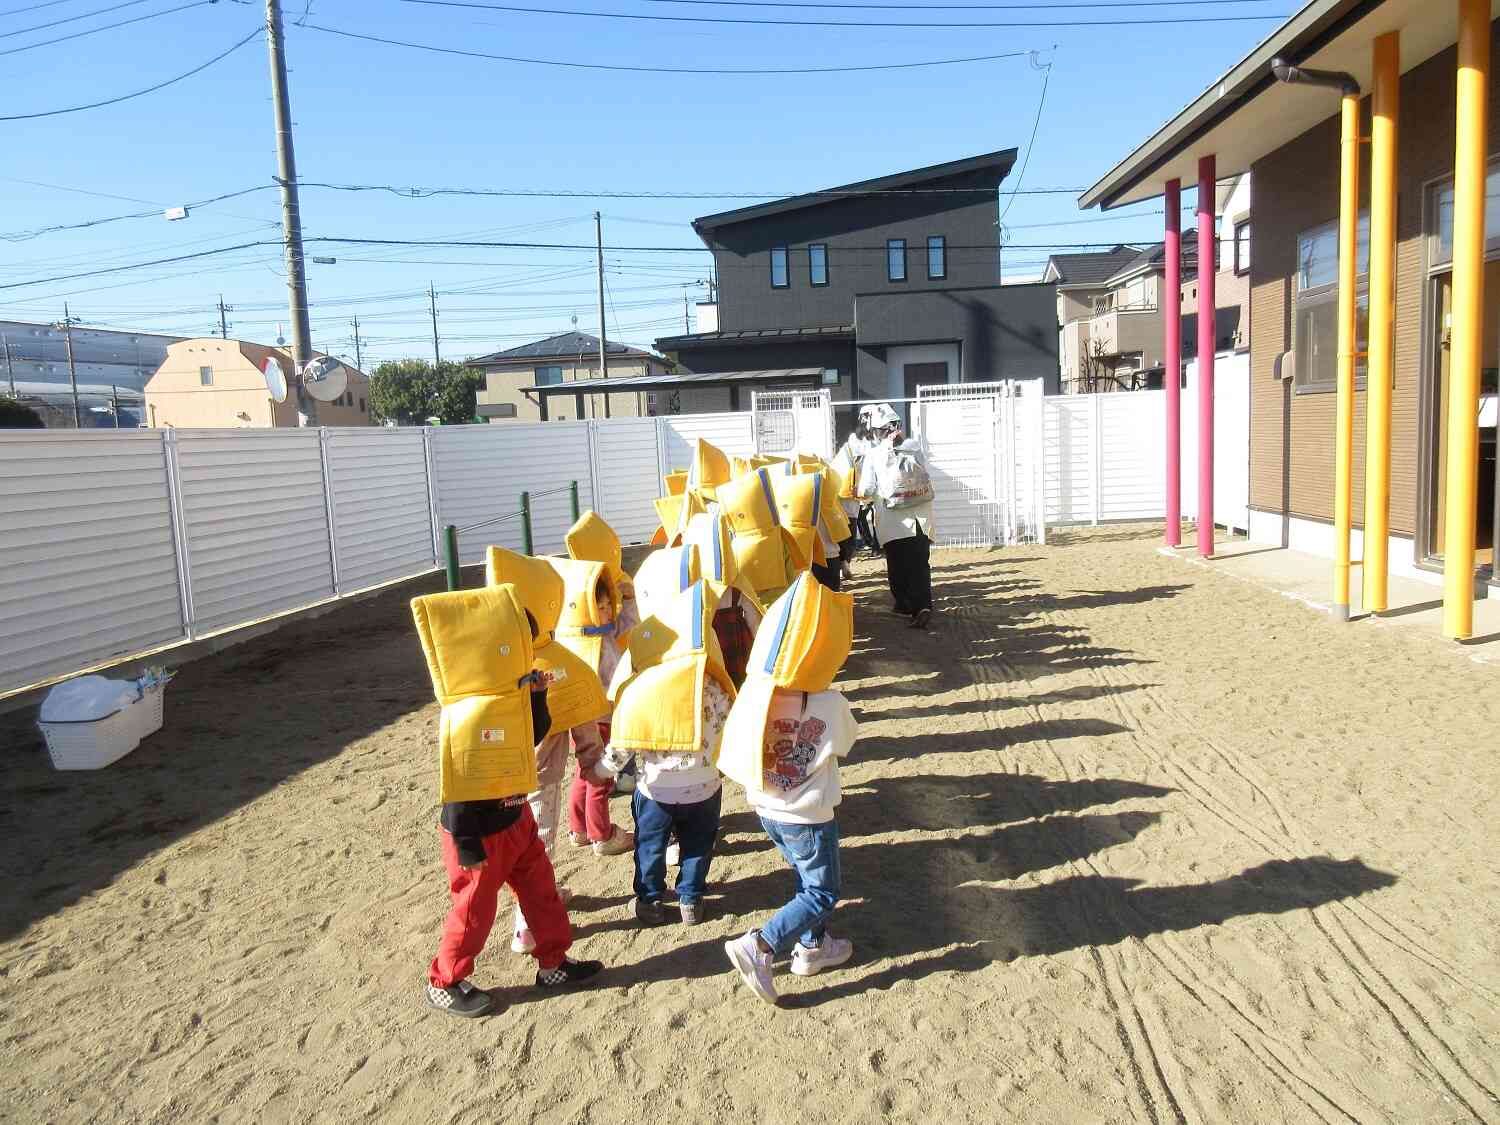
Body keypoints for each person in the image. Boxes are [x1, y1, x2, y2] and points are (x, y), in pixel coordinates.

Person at [410, 584, 604, 1018]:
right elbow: (458, 781)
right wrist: (466, 843)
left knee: (542, 893)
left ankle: (553, 963)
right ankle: (445, 980)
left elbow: (530, 738)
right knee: (474, 910)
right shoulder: (469, 714)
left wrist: (536, 697)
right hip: (478, 831)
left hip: (516, 819)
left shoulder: (510, 701)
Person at [716, 574, 859, 1006]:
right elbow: (848, 742)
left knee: (804, 878)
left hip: (767, 807)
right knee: (821, 890)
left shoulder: (754, 695)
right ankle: (760, 946)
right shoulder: (830, 703)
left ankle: (812, 948)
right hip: (808, 814)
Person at [483, 549, 620, 957]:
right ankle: (527, 926)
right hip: (540, 778)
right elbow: (582, 718)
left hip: (491, 774)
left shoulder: (491, 659)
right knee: (537, 843)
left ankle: (540, 898)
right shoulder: (560, 665)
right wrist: (594, 762)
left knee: (511, 848)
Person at [602, 580, 737, 926]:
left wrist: (604, 771)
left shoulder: (639, 687)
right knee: (697, 845)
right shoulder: (711, 684)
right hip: (704, 785)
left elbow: (623, 741)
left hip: (656, 790)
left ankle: (649, 900)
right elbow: (730, 723)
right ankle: (690, 899)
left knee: (650, 846)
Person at [859, 404, 936, 630]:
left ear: (875, 430)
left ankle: (904, 605)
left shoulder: (873, 454)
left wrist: (863, 497)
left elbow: (866, 489)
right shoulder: (914, 447)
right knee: (920, 563)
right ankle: (923, 605)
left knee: (898, 564)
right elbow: (926, 473)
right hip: (921, 518)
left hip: (893, 522)